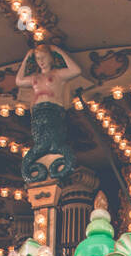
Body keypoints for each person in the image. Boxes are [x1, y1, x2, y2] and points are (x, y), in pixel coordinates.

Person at [15, 44, 82, 184]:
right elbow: (19, 81)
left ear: (51, 58)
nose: (41, 61)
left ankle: (54, 167)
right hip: (38, 112)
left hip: (53, 109)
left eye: (44, 57)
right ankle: (40, 169)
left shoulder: (57, 74)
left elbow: (76, 70)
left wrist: (58, 50)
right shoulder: (35, 77)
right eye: (38, 58)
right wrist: (27, 58)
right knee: (40, 141)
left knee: (53, 139)